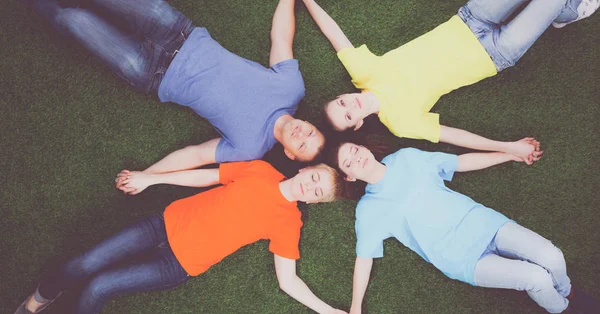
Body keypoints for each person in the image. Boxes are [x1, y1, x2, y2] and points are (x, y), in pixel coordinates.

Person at [15, 160, 347, 314]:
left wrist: (328, 312)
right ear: (307, 168)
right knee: (84, 263)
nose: (311, 186)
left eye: (317, 192)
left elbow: (288, 281)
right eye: (315, 177)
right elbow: (206, 176)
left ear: (312, 201)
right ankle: (41, 298)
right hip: (159, 226)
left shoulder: (290, 222)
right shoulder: (260, 170)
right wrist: (151, 178)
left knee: (98, 287)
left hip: (176, 265)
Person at [28, 0, 326, 168]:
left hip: (152, 73)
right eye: (310, 132)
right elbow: (281, 38)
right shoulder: (291, 88)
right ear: (310, 122)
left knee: (74, 20)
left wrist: (150, 175)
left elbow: (197, 154)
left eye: (301, 144)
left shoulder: (250, 148)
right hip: (179, 32)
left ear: (289, 153)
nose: (301, 133)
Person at [303, 0, 599, 164]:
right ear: (357, 124)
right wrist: (508, 148)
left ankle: (565, 11)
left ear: (343, 93)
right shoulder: (399, 122)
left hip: (471, 19)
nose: (349, 105)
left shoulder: (364, 73)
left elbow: (334, 34)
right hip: (497, 52)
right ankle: (568, 10)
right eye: (348, 115)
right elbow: (455, 136)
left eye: (341, 102)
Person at [329, 142, 599, 313]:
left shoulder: (407, 158)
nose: (356, 157)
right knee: (536, 279)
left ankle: (568, 291)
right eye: (348, 163)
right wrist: (355, 308)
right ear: (350, 176)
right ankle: (563, 309)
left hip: (486, 223)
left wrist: (508, 154)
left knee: (552, 257)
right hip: (462, 259)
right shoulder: (369, 209)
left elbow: (459, 163)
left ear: (363, 147)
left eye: (354, 150)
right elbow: (364, 257)